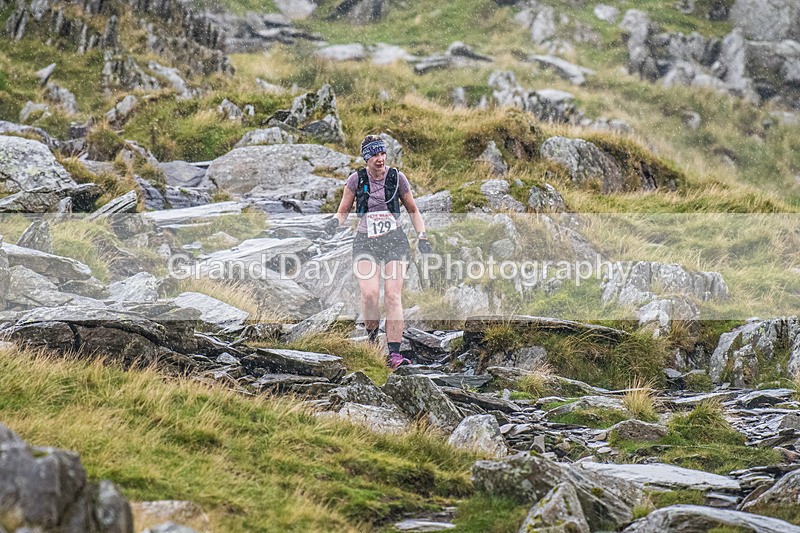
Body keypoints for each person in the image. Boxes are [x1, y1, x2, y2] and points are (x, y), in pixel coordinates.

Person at [325, 135, 433, 370]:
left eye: (382, 153)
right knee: (370, 294)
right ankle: (372, 339)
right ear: (366, 158)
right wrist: (333, 223)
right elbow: (342, 211)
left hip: (395, 242)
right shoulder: (356, 180)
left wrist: (422, 237)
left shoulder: (397, 178)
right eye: (374, 154)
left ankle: (394, 353)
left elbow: (413, 210)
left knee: (393, 295)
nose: (380, 159)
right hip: (366, 243)